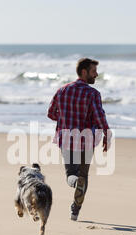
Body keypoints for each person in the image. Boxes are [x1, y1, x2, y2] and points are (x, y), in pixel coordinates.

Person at [47, 57, 111, 221]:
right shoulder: (93, 94)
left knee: (71, 174)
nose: (96, 74)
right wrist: (106, 133)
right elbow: (99, 116)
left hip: (67, 137)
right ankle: (75, 211)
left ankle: (75, 183)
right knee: (84, 175)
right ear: (84, 72)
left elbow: (51, 113)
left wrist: (65, 120)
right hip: (86, 139)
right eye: (93, 71)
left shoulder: (62, 90)